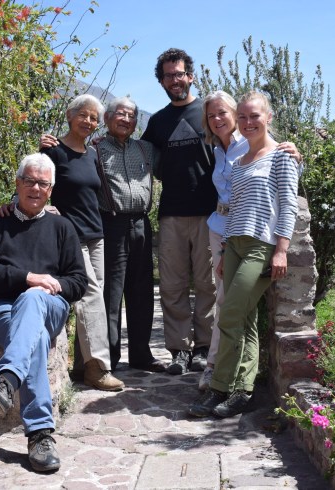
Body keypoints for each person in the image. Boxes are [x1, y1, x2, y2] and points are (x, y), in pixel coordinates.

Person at [0, 153, 87, 472]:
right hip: (1, 310)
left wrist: (46, 286)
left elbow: (78, 282)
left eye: (42, 183)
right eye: (29, 181)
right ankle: (39, 435)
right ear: (17, 183)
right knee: (34, 338)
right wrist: (27, 278)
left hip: (49, 305)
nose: (35, 188)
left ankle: (6, 380)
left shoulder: (62, 227)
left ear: (51, 190)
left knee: (33, 299)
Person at [188, 91, 300, 418]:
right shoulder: (238, 164)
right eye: (244, 117)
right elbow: (235, 209)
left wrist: (281, 250)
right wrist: (224, 251)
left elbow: (289, 205)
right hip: (234, 245)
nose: (249, 122)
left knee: (231, 314)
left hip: (261, 246)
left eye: (255, 116)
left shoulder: (281, 156)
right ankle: (240, 390)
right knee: (245, 319)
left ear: (268, 118)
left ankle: (222, 387)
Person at [40, 96, 167, 372]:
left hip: (142, 224)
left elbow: (174, 166)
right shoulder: (94, 149)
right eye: (120, 114)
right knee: (109, 293)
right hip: (110, 224)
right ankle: (107, 357)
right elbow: (69, 172)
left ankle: (142, 354)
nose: (126, 119)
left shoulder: (146, 149)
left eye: (131, 116)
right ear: (107, 119)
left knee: (142, 291)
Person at [40, 94, 125, 391]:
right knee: (89, 295)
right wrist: (46, 209)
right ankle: (98, 368)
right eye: (83, 115)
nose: (88, 122)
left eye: (93, 118)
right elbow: (39, 184)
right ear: (69, 115)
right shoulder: (53, 151)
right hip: (70, 235)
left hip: (96, 233)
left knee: (95, 298)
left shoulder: (92, 154)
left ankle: (81, 365)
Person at [141, 48, 216, 375]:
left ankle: (204, 347)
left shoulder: (208, 113)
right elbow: (138, 154)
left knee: (208, 285)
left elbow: (240, 139)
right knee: (172, 286)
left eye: (180, 74)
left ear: (191, 76)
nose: (175, 80)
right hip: (171, 213)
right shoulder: (157, 122)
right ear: (161, 81)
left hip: (209, 214)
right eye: (168, 75)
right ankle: (179, 351)